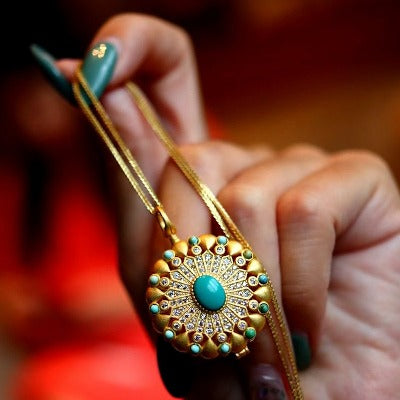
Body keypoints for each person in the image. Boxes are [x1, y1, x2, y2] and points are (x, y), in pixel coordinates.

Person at [29, 13, 400, 400]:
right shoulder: (23, 189)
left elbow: (216, 208)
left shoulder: (177, 147)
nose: (29, 115)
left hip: (148, 343)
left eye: (31, 92)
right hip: (91, 352)